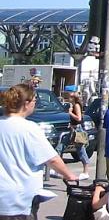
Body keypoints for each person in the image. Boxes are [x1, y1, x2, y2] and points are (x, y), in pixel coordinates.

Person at [0, 84, 77, 219]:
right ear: (26, 104)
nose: (35, 104)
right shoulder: (29, 128)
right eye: (35, 100)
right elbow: (51, 159)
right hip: (19, 198)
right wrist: (69, 175)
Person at [56, 91, 90, 180]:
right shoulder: (74, 105)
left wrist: (70, 113)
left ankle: (86, 172)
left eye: (68, 98)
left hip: (77, 130)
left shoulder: (76, 105)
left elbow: (79, 118)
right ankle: (57, 169)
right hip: (72, 129)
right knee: (60, 146)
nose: (67, 99)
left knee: (80, 150)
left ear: (72, 98)